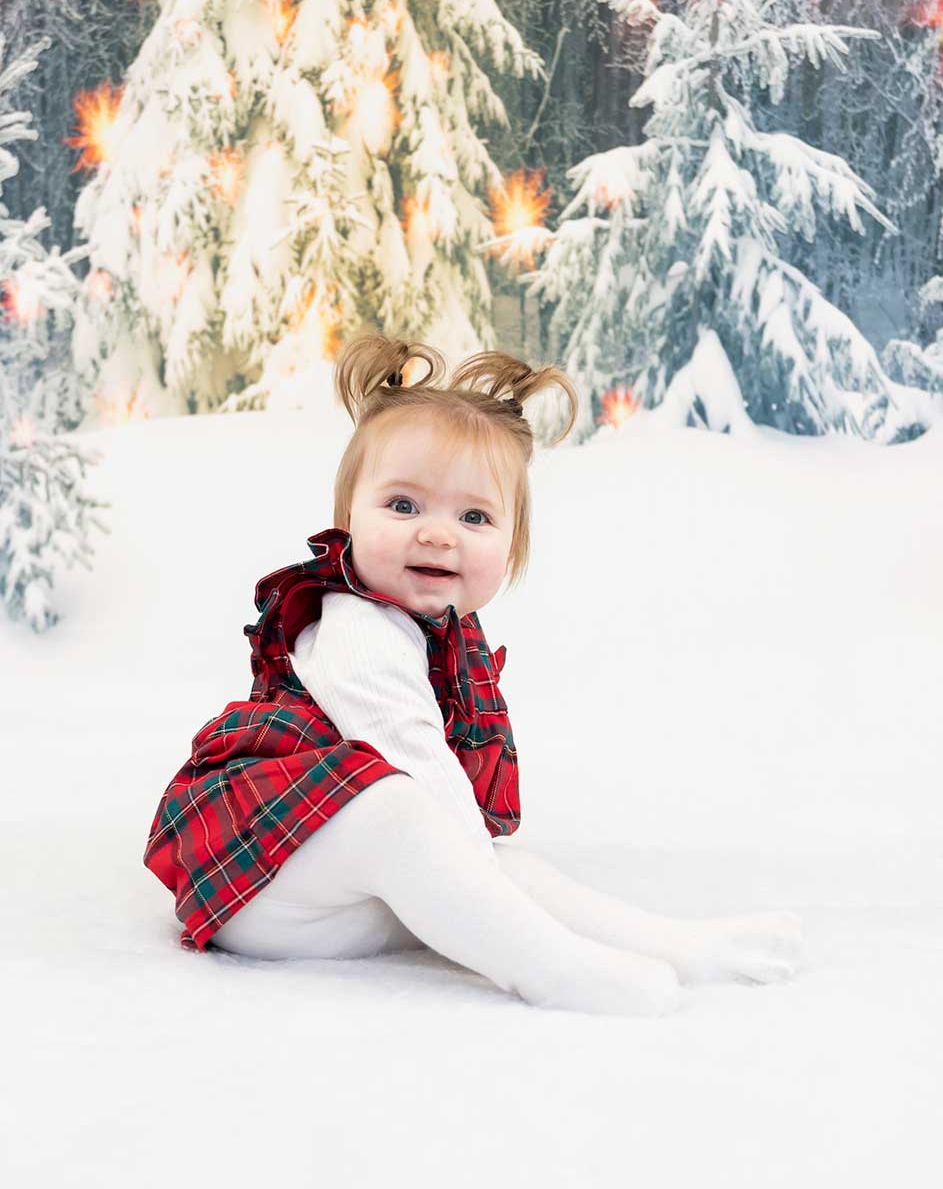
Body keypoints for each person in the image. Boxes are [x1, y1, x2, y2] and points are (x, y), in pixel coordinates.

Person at [143, 334, 802, 1016]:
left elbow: (455, 830)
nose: (437, 534)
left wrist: (484, 876)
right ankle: (553, 968)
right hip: (260, 885)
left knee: (498, 860)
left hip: (345, 898)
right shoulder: (358, 629)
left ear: (512, 545)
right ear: (348, 521)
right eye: (403, 506)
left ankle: (671, 945)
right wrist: (477, 876)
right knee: (405, 811)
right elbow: (417, 765)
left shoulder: (442, 632)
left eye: (474, 516)